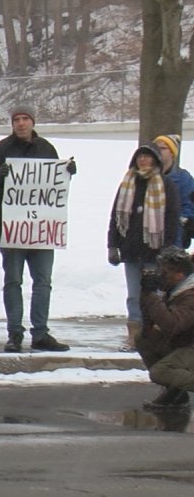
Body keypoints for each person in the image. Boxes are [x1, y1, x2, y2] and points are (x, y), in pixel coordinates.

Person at [0, 105, 74, 353]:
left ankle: (40, 333)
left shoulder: (46, 149)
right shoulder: (1, 150)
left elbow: (54, 186)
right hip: (11, 229)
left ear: (33, 122)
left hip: (42, 228)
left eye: (25, 119)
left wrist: (67, 173)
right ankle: (14, 333)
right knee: (13, 281)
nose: (20, 124)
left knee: (42, 282)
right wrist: (0, 176)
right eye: (16, 119)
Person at [108, 142, 181, 352]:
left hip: (155, 251)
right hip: (130, 250)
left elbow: (171, 218)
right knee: (133, 294)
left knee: (154, 296)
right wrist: (112, 245)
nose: (143, 160)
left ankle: (156, 336)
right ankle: (135, 336)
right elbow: (115, 217)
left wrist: (166, 250)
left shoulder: (166, 185)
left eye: (147, 156)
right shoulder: (127, 185)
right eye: (139, 156)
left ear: (156, 160)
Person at [136, 246, 194, 409]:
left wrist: (153, 296)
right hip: (186, 343)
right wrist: (146, 293)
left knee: (160, 372)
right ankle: (176, 393)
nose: (160, 275)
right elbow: (149, 324)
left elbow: (171, 325)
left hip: (190, 346)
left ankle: (176, 387)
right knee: (144, 339)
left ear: (179, 275)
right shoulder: (176, 289)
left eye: (164, 271)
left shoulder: (190, 295)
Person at [153, 135, 194, 246]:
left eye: (163, 148)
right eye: (156, 147)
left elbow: (189, 206)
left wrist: (178, 222)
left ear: (172, 153)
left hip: (174, 240)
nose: (158, 151)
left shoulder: (183, 178)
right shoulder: (144, 176)